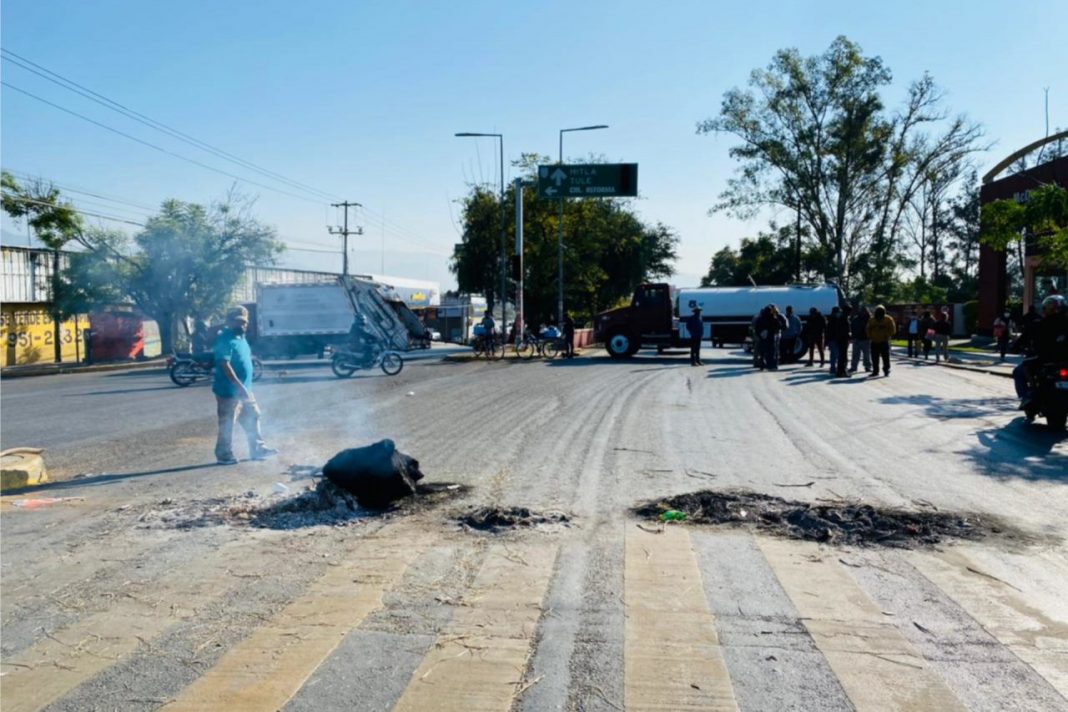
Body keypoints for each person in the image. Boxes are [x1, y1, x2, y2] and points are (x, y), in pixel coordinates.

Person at [213, 306, 277, 465]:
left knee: (253, 416)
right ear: (229, 322)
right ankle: (224, 455)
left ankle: (257, 449)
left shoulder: (241, 338)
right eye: (238, 322)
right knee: (228, 423)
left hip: (245, 389)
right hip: (229, 391)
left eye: (244, 322)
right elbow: (224, 364)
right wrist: (238, 385)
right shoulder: (225, 339)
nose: (242, 325)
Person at [1013, 295, 1068, 408]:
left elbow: (1023, 339)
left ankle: (1028, 396)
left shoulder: (1038, 324)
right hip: (1063, 360)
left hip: (1044, 359)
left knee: (1019, 370)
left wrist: (1015, 347)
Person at [866, 305, 896, 377]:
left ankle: (886, 370)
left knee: (885, 357)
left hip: (884, 341)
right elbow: (867, 329)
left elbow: (893, 329)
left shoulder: (888, 319)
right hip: (874, 341)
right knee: (874, 357)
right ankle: (875, 371)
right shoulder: (872, 320)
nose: (879, 313)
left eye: (881, 311)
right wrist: (870, 336)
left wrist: (887, 335)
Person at [756, 305, 784, 370]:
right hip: (771, 337)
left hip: (763, 338)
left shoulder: (760, 318)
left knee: (763, 352)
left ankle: (762, 364)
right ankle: (771, 365)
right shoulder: (773, 318)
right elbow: (779, 326)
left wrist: (760, 335)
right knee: (772, 352)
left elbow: (757, 328)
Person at [828, 306, 851, 377]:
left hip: (839, 339)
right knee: (843, 356)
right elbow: (844, 330)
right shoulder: (843, 318)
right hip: (843, 339)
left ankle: (840, 371)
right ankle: (842, 371)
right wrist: (848, 335)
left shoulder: (840, 317)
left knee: (841, 356)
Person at [849, 306, 872, 374]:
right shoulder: (856, 319)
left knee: (866, 355)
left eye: (864, 311)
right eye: (862, 310)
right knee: (855, 354)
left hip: (866, 339)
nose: (862, 312)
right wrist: (853, 336)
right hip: (857, 339)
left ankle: (867, 367)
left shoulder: (869, 319)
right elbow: (852, 328)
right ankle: (854, 367)